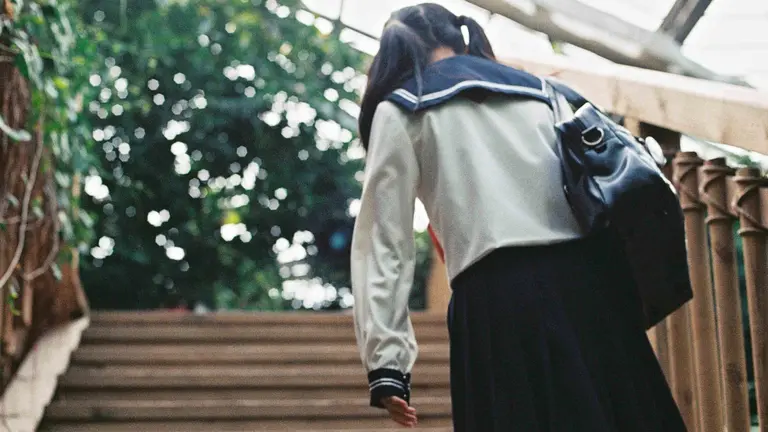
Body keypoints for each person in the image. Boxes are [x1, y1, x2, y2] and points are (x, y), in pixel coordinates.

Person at [350, 3, 687, 431]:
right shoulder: (544, 91)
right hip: (591, 288)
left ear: (396, 51)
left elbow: (385, 244)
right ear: (457, 37)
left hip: (498, 302)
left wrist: (388, 364)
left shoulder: (402, 108)